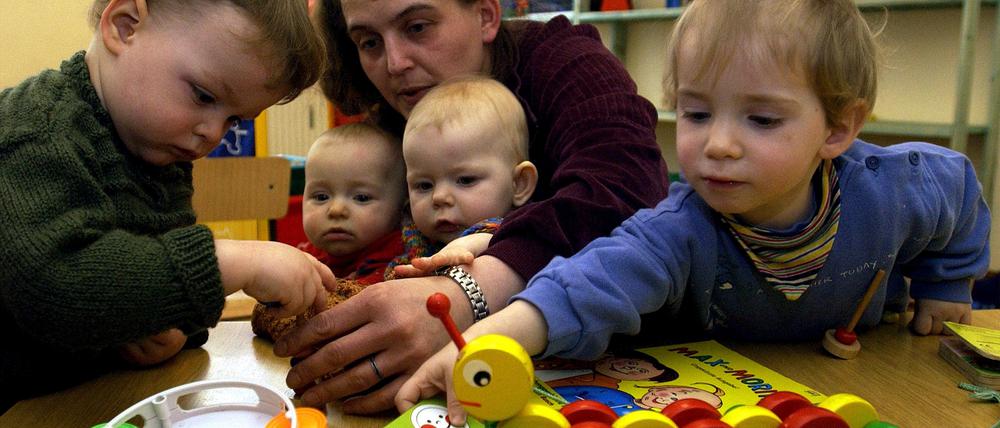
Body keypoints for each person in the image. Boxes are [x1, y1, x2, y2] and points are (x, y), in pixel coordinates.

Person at [394, 0, 991, 423]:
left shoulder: (898, 186)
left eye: (760, 119)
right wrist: (479, 343)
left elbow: (959, 190)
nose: (718, 145)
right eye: (698, 114)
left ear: (838, 127)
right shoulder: (681, 226)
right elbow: (585, 285)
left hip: (881, 381)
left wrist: (947, 281)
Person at [274, 0, 671, 413]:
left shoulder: (566, 64)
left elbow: (627, 192)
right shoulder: (392, 114)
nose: (393, 63)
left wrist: (465, 295)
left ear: (486, 14)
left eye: (417, 27)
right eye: (369, 41)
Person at [0, 0, 332, 408]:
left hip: (93, 399)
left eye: (234, 120)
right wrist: (232, 261)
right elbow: (55, 286)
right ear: (125, 27)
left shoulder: (158, 150)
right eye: (203, 95)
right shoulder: (34, 132)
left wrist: (171, 329)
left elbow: (166, 284)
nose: (212, 134)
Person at [251, 123, 408, 341]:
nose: (336, 210)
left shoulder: (399, 265)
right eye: (321, 197)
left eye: (361, 198)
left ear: (402, 208)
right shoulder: (306, 256)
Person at [395, 75, 538, 277]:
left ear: (519, 183)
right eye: (424, 185)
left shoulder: (531, 237)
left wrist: (480, 240)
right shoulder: (411, 238)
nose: (439, 197)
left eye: (465, 180)